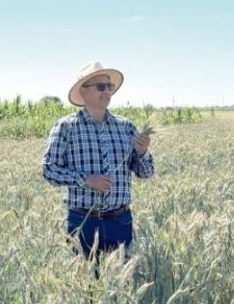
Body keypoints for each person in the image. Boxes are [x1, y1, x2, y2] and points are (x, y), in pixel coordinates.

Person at [42, 61, 154, 264]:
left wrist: (143, 151)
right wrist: (86, 180)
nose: (107, 92)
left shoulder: (126, 127)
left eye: (109, 87)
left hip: (121, 220)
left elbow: (145, 172)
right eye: (101, 87)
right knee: (86, 285)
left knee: (121, 283)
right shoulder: (66, 127)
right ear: (83, 92)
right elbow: (49, 170)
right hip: (83, 221)